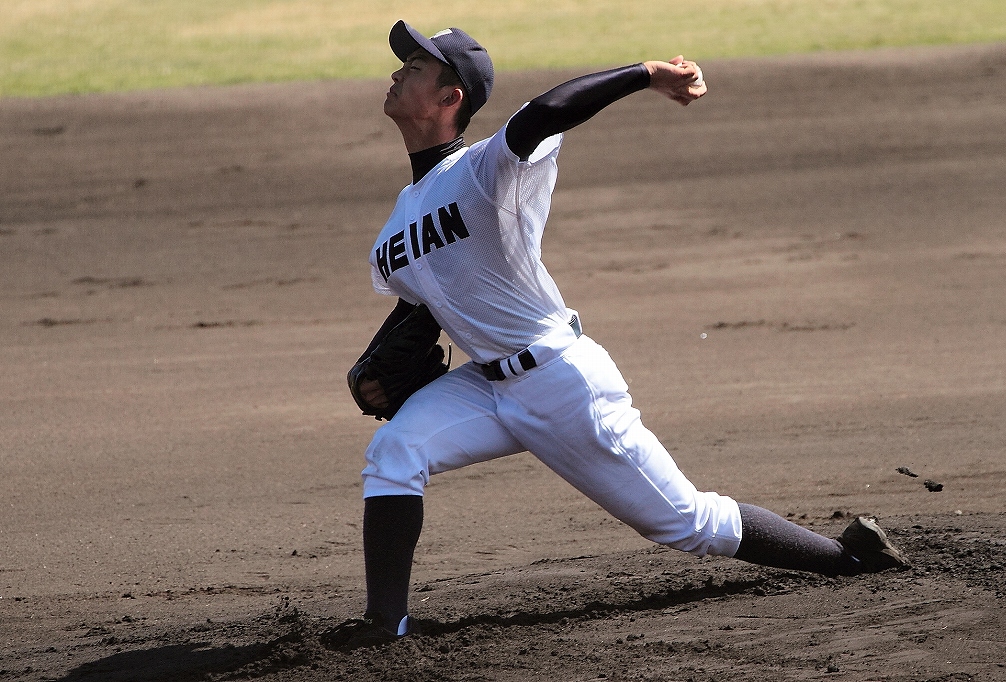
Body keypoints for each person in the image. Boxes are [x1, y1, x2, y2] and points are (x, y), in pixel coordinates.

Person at [322, 20, 911, 650]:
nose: (397, 72)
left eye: (415, 67)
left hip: (561, 381)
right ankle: (387, 622)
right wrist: (381, 362)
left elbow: (547, 110)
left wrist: (648, 75)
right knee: (395, 453)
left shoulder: (486, 171)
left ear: (450, 99)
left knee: (688, 524)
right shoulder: (395, 226)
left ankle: (848, 558)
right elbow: (427, 306)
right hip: (485, 388)